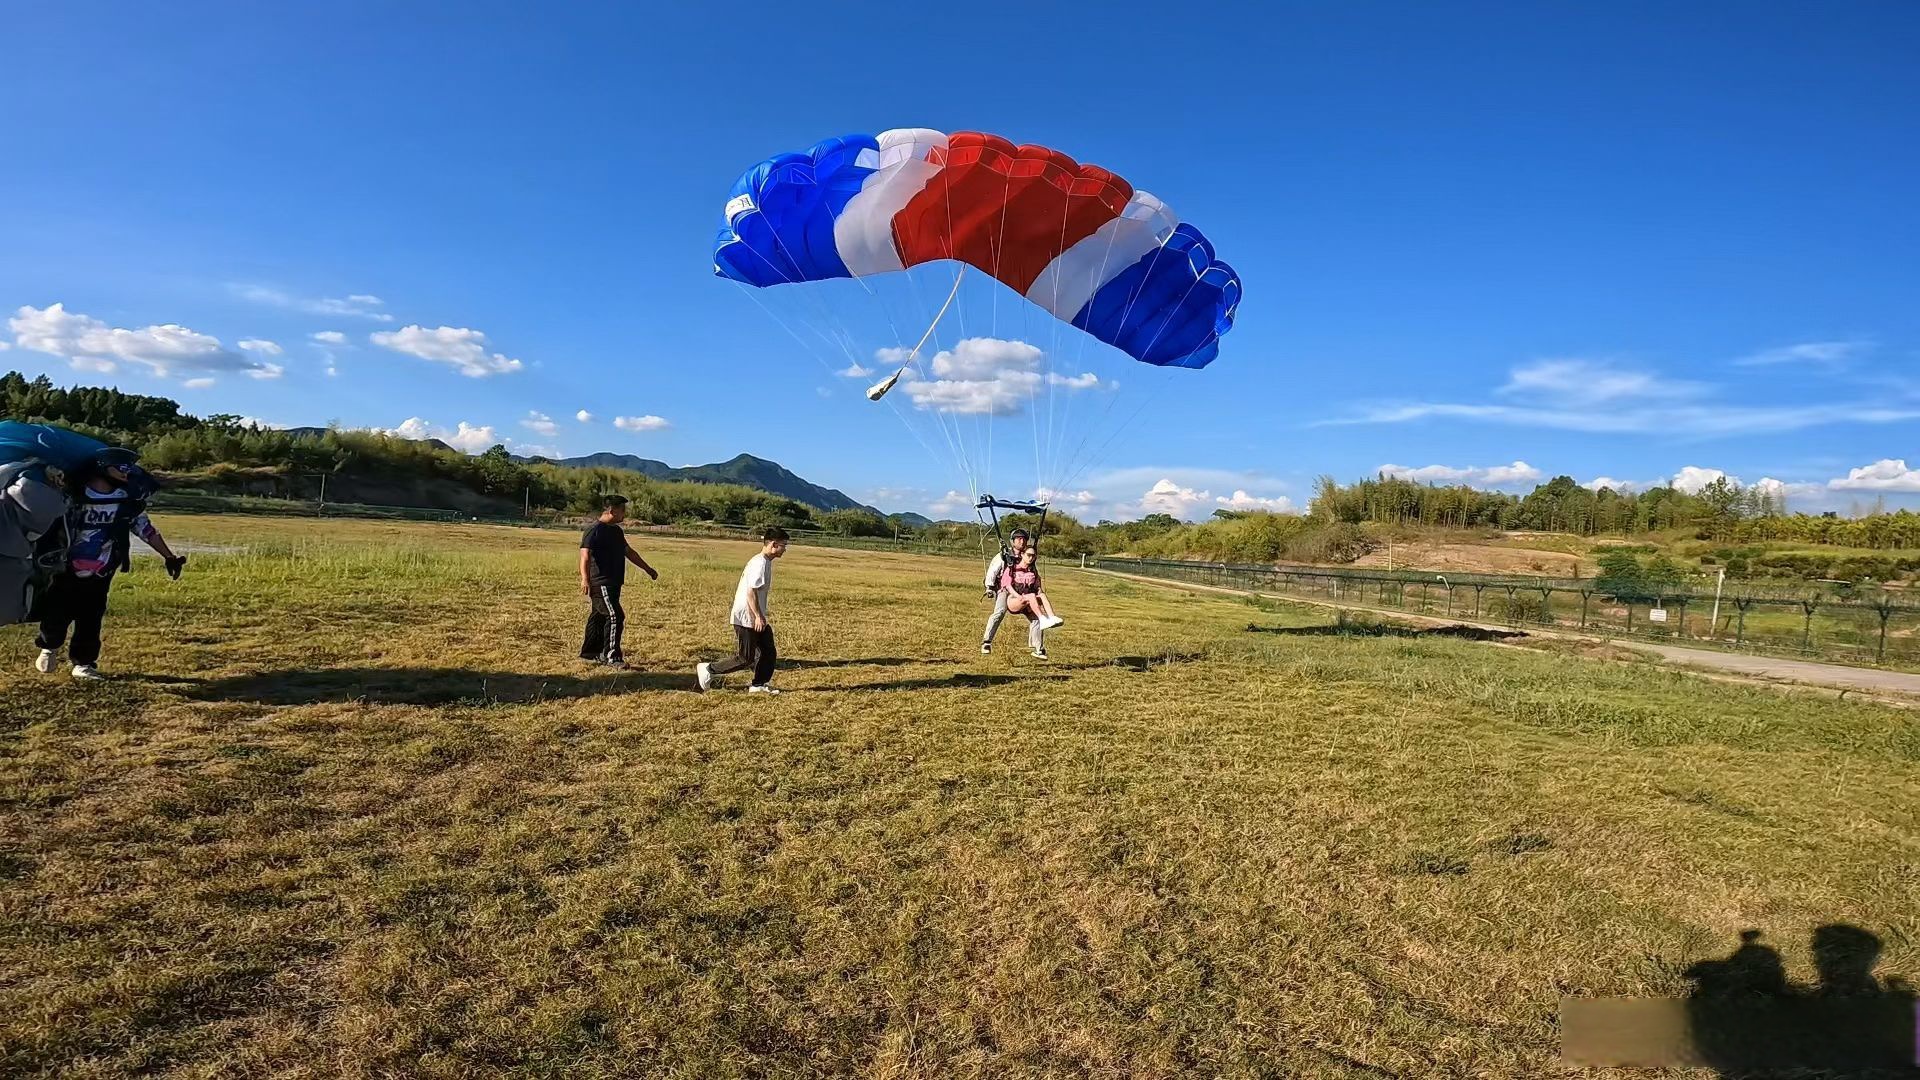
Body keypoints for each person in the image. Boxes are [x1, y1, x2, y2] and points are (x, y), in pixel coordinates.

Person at [34, 448, 185, 681]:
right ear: (103, 468)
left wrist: (169, 557)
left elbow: (146, 530)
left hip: (102, 569)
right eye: (122, 467)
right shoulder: (71, 496)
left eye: (129, 468)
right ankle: (49, 646)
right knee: (57, 612)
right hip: (64, 568)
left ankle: (83, 663)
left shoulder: (127, 502)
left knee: (91, 617)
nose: (127, 473)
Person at [697, 526, 788, 694]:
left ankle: (758, 685)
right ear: (774, 544)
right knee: (745, 657)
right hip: (746, 617)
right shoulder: (759, 563)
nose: (785, 549)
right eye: (783, 545)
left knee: (768, 650)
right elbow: (751, 592)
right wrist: (758, 616)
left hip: (754, 615)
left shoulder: (765, 562)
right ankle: (709, 669)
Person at [578, 495, 658, 667]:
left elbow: (629, 552)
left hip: (614, 582)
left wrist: (647, 569)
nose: (624, 514)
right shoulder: (594, 530)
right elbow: (585, 556)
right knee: (615, 616)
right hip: (601, 582)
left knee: (599, 616)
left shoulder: (616, 531)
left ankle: (590, 653)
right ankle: (612, 657)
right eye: (622, 510)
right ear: (612, 510)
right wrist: (585, 579)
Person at [1002, 548, 1064, 658]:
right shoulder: (1012, 568)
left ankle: (1039, 646)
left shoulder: (1033, 572)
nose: (1031, 558)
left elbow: (1038, 588)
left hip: (1029, 601)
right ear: (1022, 554)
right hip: (1014, 600)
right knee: (1031, 597)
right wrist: (1018, 596)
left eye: (1033, 556)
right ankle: (1043, 618)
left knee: (1041, 598)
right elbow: (1007, 585)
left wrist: (1039, 596)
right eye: (1029, 555)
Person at [979, 528, 1031, 654]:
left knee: (1036, 613)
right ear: (1013, 541)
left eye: (1024, 539)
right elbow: (993, 571)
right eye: (1019, 539)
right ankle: (986, 642)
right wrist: (989, 587)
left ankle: (1037, 646)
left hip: (1022, 590)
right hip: (1005, 589)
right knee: (1000, 612)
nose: (1022, 541)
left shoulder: (1027, 556)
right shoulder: (1004, 555)